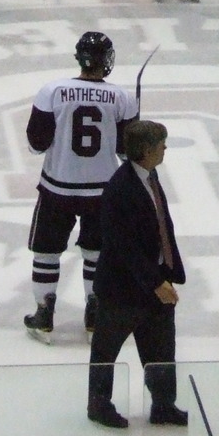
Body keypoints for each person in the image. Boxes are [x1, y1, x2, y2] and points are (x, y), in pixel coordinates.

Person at [24, 32, 138, 341]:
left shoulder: (52, 91)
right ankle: (95, 312)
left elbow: (36, 144)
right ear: (106, 60)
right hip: (102, 191)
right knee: (97, 253)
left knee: (46, 252)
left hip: (56, 188)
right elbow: (127, 152)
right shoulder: (122, 97)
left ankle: (44, 313)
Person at [87, 119, 188, 429]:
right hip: (122, 290)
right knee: (106, 351)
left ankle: (163, 404)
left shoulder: (150, 176)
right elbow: (123, 246)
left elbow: (162, 224)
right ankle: (98, 404)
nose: (165, 148)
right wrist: (156, 283)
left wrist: (169, 271)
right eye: (160, 144)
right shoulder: (120, 189)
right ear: (146, 150)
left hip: (153, 281)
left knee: (161, 349)